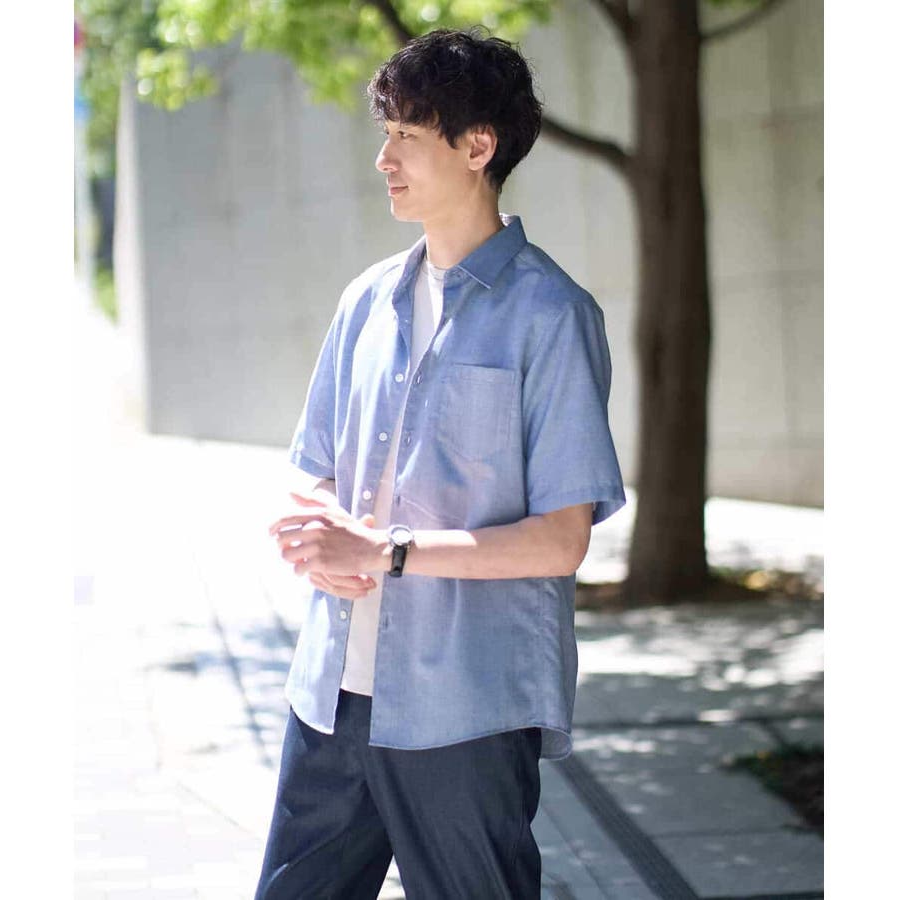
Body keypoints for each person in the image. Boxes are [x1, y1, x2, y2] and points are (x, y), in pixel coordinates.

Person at [255, 27, 626, 900]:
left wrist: (384, 552)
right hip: (332, 696)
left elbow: (561, 540)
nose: (382, 158)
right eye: (384, 133)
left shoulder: (551, 315)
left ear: (477, 146)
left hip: (467, 708)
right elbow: (311, 467)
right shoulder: (365, 301)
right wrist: (317, 530)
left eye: (406, 136)